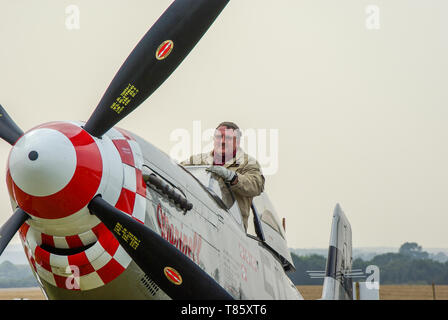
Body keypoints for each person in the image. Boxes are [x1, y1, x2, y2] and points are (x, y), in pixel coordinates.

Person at [181, 121, 265, 231]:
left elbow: (257, 185)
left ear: (238, 142)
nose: (223, 141)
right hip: (197, 217)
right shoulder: (197, 160)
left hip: (231, 229)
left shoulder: (248, 163)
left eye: (229, 138)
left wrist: (233, 177)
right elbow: (178, 171)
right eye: (219, 137)